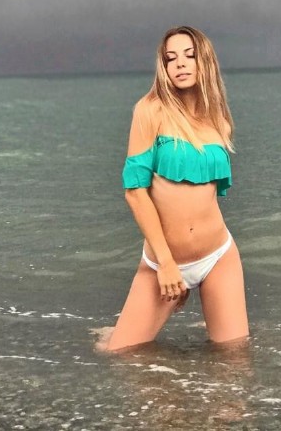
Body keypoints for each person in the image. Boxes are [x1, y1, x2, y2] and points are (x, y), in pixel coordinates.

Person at [105, 25, 249, 352]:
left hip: (218, 255)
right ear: (164, 66)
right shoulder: (150, 110)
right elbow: (135, 191)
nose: (180, 63)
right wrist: (167, 264)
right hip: (164, 261)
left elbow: (207, 195)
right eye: (171, 58)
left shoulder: (218, 119)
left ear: (204, 61)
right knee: (120, 355)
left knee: (234, 361)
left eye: (189, 55)